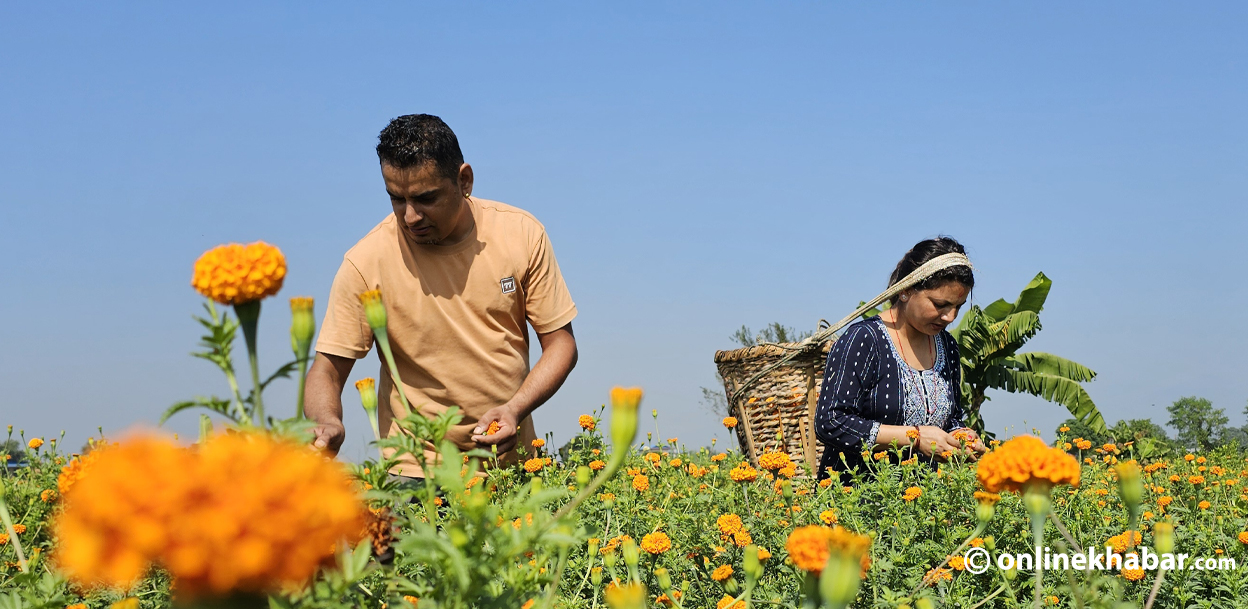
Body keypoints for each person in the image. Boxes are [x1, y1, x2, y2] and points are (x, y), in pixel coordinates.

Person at [305, 114, 579, 483]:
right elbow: (326, 370)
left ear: (463, 180)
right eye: (396, 199)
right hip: (414, 474)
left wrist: (515, 409)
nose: (411, 216)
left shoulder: (520, 234)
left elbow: (561, 344)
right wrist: (327, 420)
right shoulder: (365, 263)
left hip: (508, 465)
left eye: (426, 198)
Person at [814, 237, 988, 483]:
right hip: (856, 501)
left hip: (920, 505)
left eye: (958, 307)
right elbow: (830, 422)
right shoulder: (864, 340)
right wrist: (914, 438)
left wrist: (961, 435)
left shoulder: (947, 346)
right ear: (906, 290)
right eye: (940, 304)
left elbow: (951, 418)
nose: (950, 317)